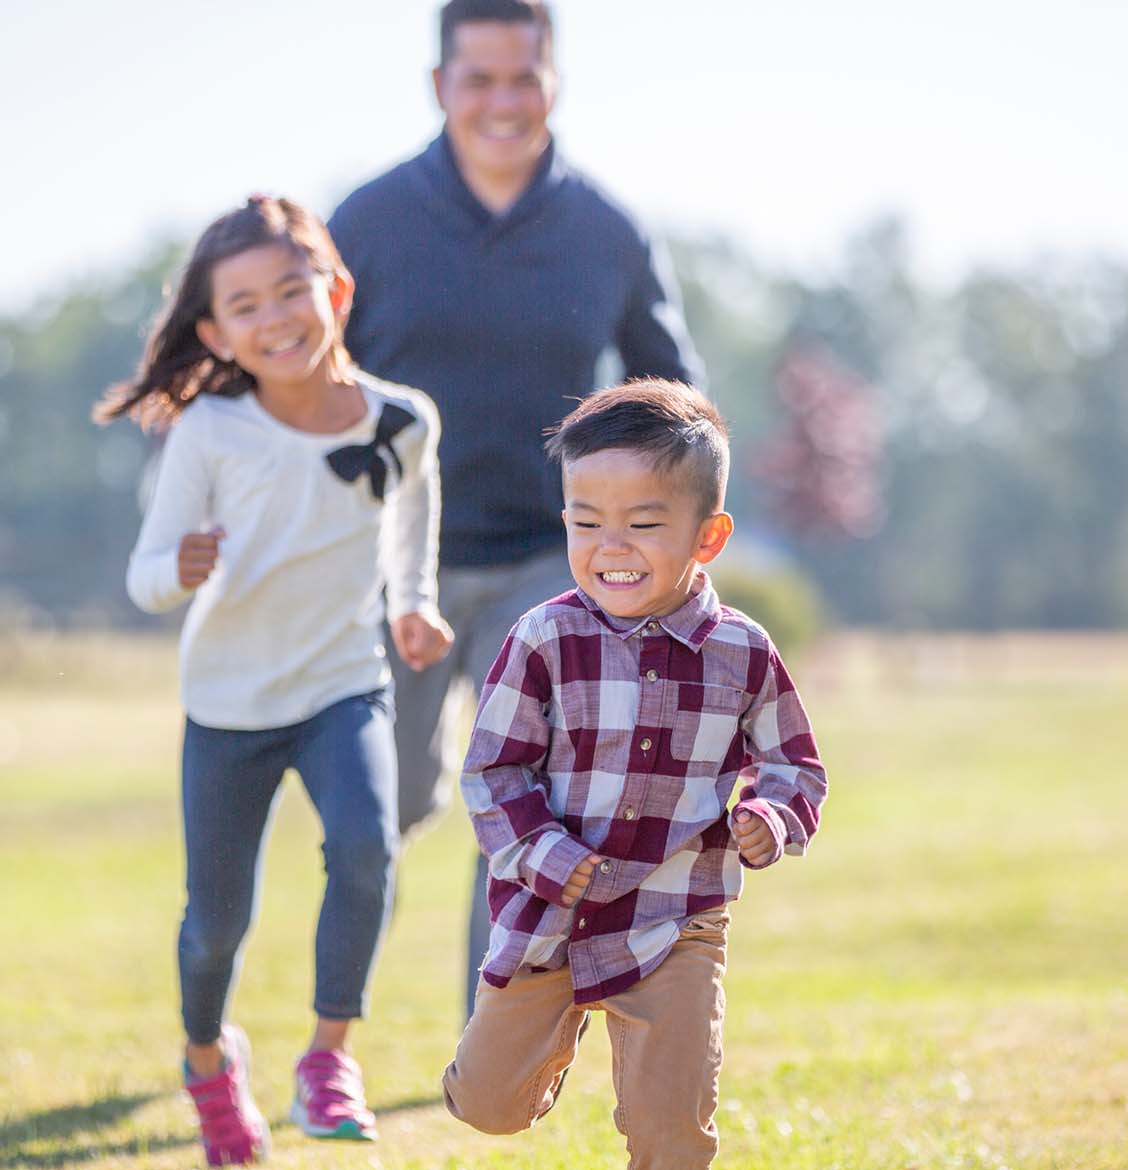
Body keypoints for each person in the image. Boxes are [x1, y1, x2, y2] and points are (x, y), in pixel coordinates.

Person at [327, 0, 705, 1020]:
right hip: (396, 560)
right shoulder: (364, 223)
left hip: (553, 557)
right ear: (440, 86)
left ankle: (488, 1039)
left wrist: (670, 537)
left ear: (554, 82)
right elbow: (304, 383)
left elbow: (674, 396)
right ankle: (336, 1037)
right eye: (479, 78)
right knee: (383, 809)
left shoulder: (606, 230)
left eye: (523, 77)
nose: (503, 100)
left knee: (526, 800)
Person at [97, 196, 453, 1165]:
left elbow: (412, 516)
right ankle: (209, 1062)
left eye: (291, 290)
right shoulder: (210, 431)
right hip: (227, 706)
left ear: (334, 291)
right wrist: (182, 568)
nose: (275, 317)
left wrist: (412, 603)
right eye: (245, 306)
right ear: (215, 333)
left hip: (344, 682)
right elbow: (144, 577)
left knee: (367, 848)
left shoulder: (403, 419)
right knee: (216, 925)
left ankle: (328, 1058)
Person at [441, 379, 827, 1168]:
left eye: (644, 524)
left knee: (673, 1131)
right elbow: (492, 770)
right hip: (554, 912)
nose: (611, 547)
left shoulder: (744, 651)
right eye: (587, 523)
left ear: (707, 537)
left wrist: (773, 817)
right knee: (488, 1104)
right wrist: (546, 854)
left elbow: (795, 765)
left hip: (677, 915)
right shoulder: (544, 638)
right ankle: (537, 1046)